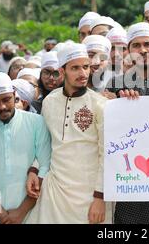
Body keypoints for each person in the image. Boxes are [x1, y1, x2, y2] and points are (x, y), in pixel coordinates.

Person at [25, 42, 111, 224]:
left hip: (90, 195)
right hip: (55, 191)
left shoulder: (100, 104)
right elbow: (45, 142)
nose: (83, 73)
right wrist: (34, 169)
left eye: (86, 67)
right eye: (75, 68)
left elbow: (107, 155)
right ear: (62, 72)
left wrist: (100, 197)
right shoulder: (50, 102)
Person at [0, 71, 51, 224]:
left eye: (6, 99)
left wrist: (21, 212)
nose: (2, 107)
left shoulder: (37, 123)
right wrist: (2, 216)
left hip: (33, 211)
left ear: (14, 94)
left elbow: (45, 165)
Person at [106, 22, 149, 224]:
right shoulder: (115, 84)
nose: (142, 50)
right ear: (129, 51)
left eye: (148, 44)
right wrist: (116, 102)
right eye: (136, 45)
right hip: (127, 171)